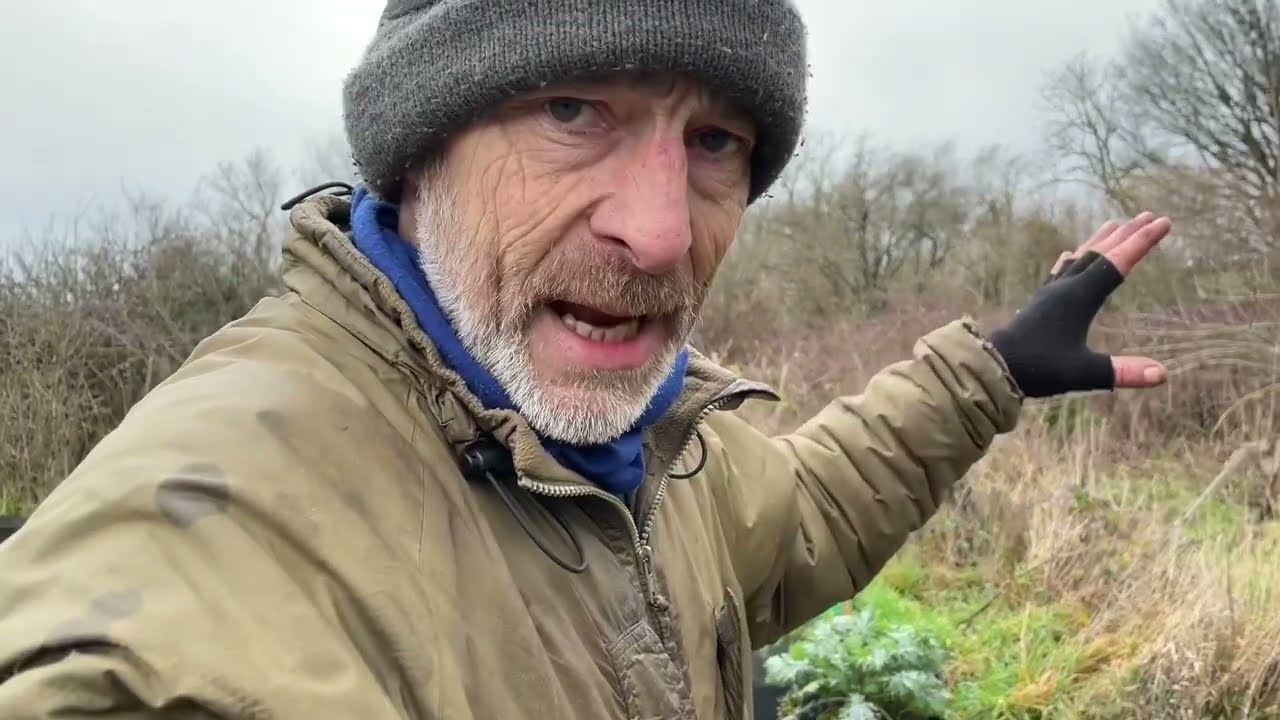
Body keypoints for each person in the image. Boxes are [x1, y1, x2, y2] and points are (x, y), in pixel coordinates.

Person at [0, 1, 1172, 718]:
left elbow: (789, 520)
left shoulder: (637, 441)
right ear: (415, 153)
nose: (658, 232)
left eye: (713, 140)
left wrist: (986, 375)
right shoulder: (217, 525)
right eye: (571, 111)